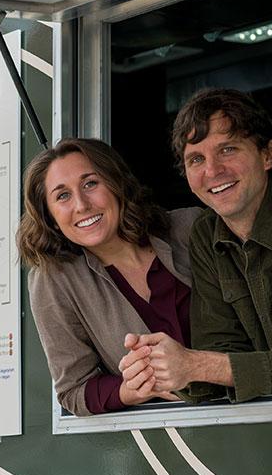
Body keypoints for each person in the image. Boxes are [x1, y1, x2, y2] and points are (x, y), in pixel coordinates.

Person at [120, 88, 272, 403]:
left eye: (227, 150)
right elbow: (220, 346)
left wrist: (196, 365)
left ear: (268, 155)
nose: (212, 171)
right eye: (196, 159)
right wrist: (156, 367)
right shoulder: (206, 231)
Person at [17, 138, 200, 416]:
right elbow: (73, 392)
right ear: (51, 217)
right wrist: (130, 390)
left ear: (116, 184)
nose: (81, 205)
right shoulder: (54, 280)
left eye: (90, 183)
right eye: (62, 196)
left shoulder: (189, 229)